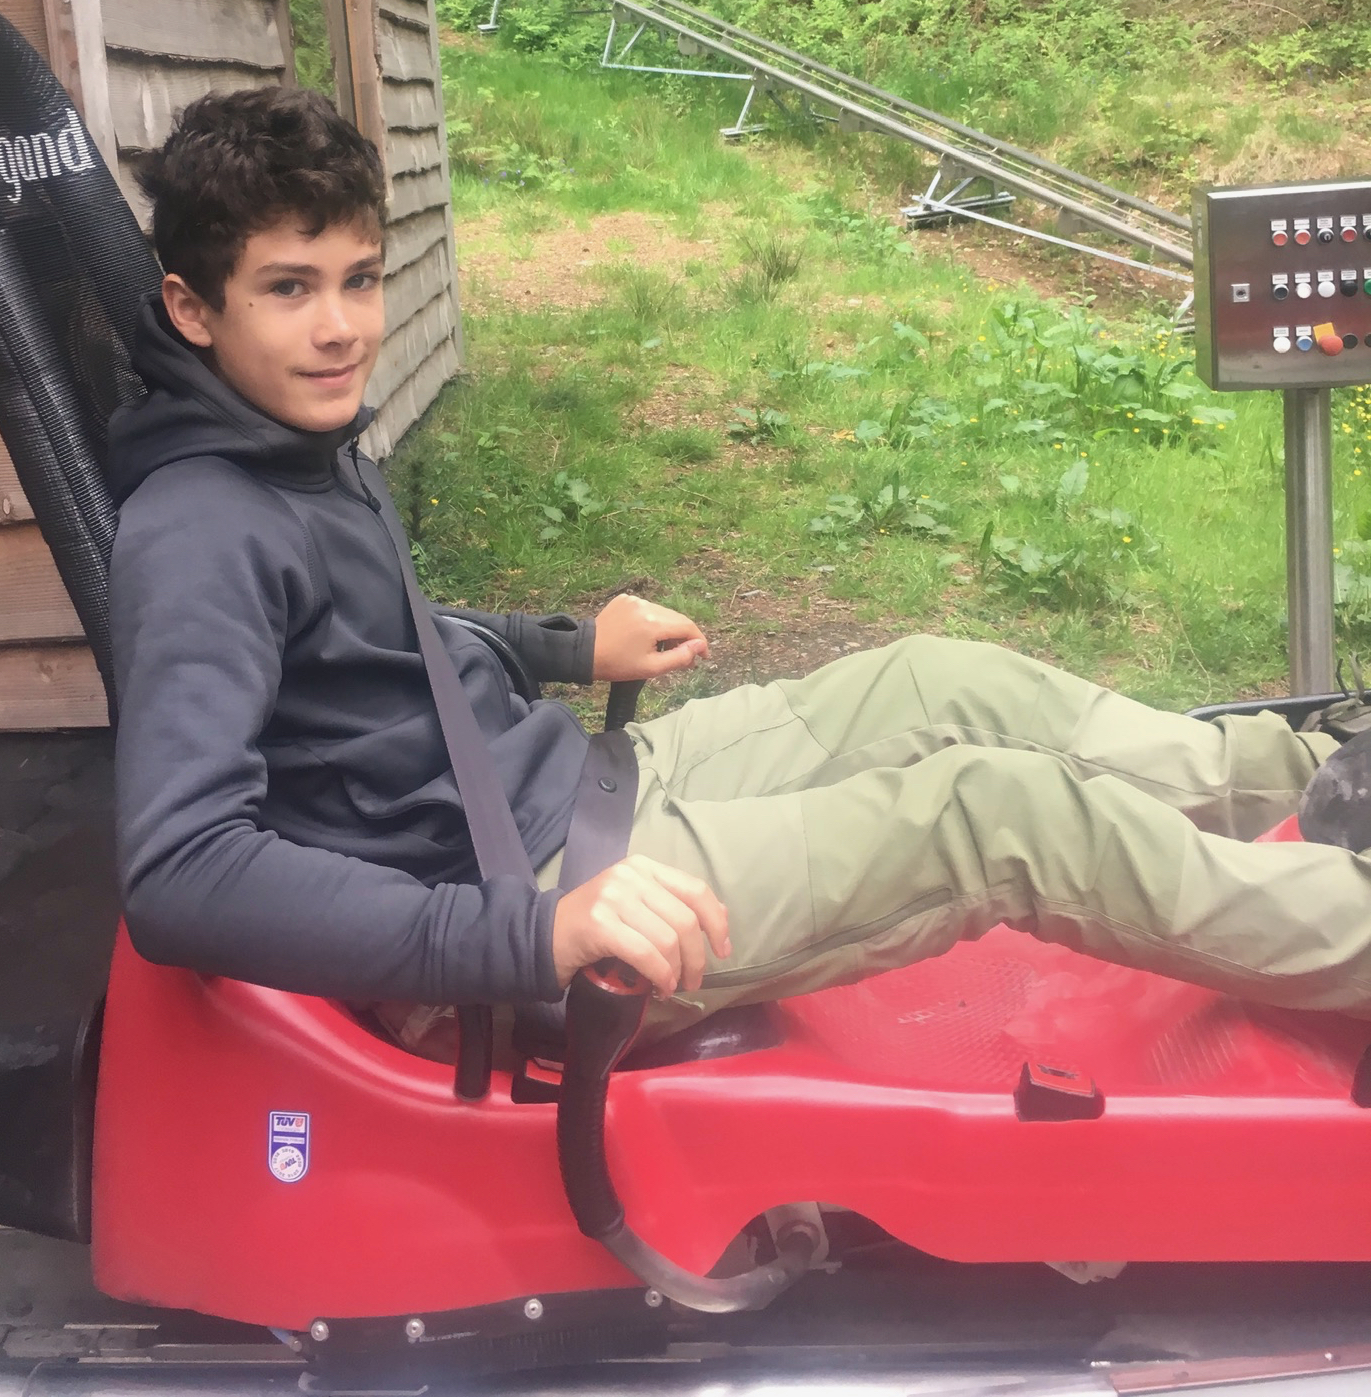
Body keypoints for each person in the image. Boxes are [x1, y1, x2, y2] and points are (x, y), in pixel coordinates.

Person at [109, 86, 1371, 1041]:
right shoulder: (200, 529)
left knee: (935, 681)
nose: (342, 329)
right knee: (996, 816)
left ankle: (1317, 774)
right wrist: (528, 934)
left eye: (359, 279)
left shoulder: (287, 438)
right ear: (191, 308)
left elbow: (375, 643)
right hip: (538, 901)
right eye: (289, 290)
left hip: (573, 793)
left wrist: (563, 647)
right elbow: (180, 873)